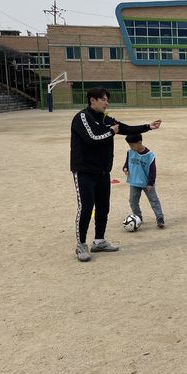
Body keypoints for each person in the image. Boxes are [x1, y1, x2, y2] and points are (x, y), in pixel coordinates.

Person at [70, 87, 161, 262]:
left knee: (103, 207)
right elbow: (92, 139)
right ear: (92, 100)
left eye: (107, 99)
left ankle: (99, 241)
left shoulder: (105, 118)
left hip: (103, 171)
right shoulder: (82, 117)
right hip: (84, 171)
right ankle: (81, 244)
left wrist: (147, 127)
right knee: (86, 208)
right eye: (103, 99)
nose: (106, 102)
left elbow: (124, 128)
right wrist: (112, 131)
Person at [123, 134, 165, 228]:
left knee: (154, 200)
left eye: (132, 145)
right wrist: (125, 168)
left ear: (139, 142)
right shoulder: (130, 152)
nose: (131, 147)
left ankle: (160, 218)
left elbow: (153, 170)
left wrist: (150, 183)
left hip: (147, 184)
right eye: (129, 145)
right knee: (133, 201)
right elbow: (127, 163)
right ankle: (138, 218)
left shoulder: (149, 155)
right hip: (134, 182)